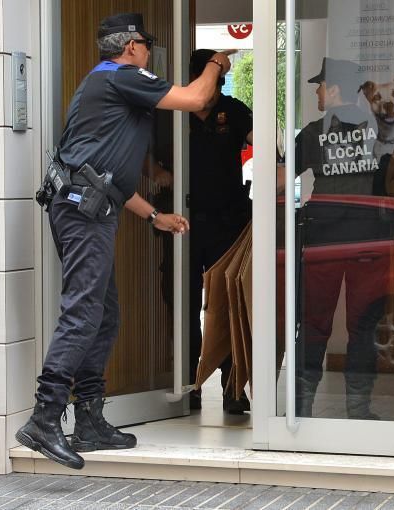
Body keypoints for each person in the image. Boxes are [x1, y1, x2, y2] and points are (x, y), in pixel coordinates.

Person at [16, 12, 231, 470]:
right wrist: (215, 63)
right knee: (83, 311)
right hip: (82, 212)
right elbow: (196, 99)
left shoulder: (105, 86)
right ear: (131, 46)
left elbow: (106, 175)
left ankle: (90, 420)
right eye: (147, 44)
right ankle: (44, 416)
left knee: (103, 313)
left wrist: (154, 215)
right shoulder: (121, 76)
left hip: (85, 205)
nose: (150, 51)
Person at [291, 57, 382, 420]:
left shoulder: (314, 132)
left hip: (324, 240)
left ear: (335, 89)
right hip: (368, 238)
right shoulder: (376, 129)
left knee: (313, 322)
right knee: (364, 324)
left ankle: (302, 409)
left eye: (319, 86)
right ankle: (359, 410)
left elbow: (281, 179)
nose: (316, 92)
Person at [187, 49, 253, 414]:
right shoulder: (175, 111)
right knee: (182, 306)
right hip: (183, 222)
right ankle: (189, 387)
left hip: (228, 222)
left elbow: (263, 140)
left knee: (225, 305)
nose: (217, 84)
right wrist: (159, 174)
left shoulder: (234, 109)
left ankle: (234, 390)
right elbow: (146, 153)